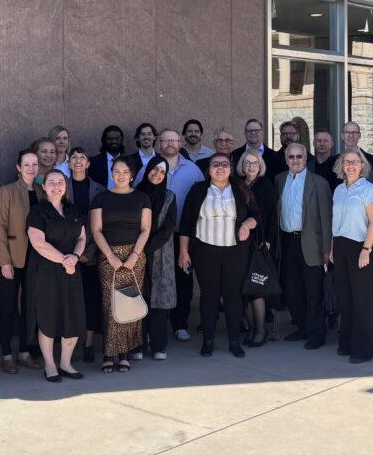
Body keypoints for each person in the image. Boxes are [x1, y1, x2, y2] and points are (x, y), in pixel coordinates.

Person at [178, 154, 260, 358]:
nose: (220, 168)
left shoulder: (241, 189)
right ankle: (208, 341)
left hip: (235, 251)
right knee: (209, 296)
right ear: (209, 169)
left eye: (224, 164)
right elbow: (186, 223)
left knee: (233, 296)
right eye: (216, 165)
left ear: (230, 169)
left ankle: (234, 342)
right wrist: (184, 251)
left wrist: (246, 224)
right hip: (205, 251)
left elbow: (256, 215)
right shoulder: (198, 190)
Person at [90, 157, 152, 372]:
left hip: (135, 256)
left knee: (129, 303)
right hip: (109, 256)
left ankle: (125, 353)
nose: (121, 175)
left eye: (125, 171)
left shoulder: (142, 198)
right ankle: (109, 353)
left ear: (132, 175)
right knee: (110, 304)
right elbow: (96, 230)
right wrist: (110, 256)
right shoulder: (101, 199)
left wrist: (135, 254)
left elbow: (145, 229)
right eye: (116, 171)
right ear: (111, 173)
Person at [25, 169, 86, 382]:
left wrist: (74, 258)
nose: (56, 186)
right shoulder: (37, 212)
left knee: (72, 315)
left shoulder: (73, 209)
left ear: (65, 186)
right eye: (51, 182)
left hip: (71, 270)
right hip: (46, 270)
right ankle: (50, 365)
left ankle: (66, 364)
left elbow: (82, 238)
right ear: (44, 187)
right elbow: (38, 243)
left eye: (60, 182)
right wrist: (64, 260)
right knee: (48, 317)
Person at [274, 142, 332, 349]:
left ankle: (317, 334)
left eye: (299, 156)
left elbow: (326, 218)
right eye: (291, 157)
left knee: (313, 292)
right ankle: (302, 327)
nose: (295, 160)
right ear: (286, 159)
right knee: (292, 290)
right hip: (287, 242)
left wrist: (327, 249)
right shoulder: (279, 180)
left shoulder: (319, 183)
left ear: (306, 159)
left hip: (311, 244)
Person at [328, 148, 373, 363]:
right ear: (341, 165)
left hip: (361, 246)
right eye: (347, 162)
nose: (350, 166)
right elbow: (335, 222)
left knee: (362, 300)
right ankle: (346, 342)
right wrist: (333, 248)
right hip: (340, 246)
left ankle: (362, 349)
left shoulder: (368, 190)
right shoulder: (338, 189)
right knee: (345, 297)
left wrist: (366, 250)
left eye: (355, 162)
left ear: (362, 166)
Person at [0, 150, 44, 374]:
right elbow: (0, 228)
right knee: (8, 307)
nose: (31, 168)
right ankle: (6, 355)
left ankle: (24, 352)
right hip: (13, 258)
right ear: (18, 167)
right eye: (26, 164)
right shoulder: (7, 191)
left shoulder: (42, 191)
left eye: (35, 164)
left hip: (37, 259)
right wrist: (4, 261)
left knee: (30, 307)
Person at [136, 156, 178, 361]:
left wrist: (148, 248)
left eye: (163, 172)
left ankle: (159, 345)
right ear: (148, 170)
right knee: (138, 298)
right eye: (155, 169)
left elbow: (169, 227)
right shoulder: (135, 194)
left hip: (160, 253)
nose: (158, 174)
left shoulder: (169, 197)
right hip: (135, 252)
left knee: (159, 300)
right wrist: (139, 250)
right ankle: (137, 344)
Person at [66, 146, 105, 362]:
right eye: (74, 157)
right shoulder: (61, 186)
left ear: (88, 164)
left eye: (82, 157)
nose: (78, 160)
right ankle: (70, 344)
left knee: (90, 299)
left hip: (90, 254)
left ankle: (88, 343)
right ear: (69, 163)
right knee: (69, 301)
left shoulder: (99, 189)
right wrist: (70, 253)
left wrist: (87, 252)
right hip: (65, 254)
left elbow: (101, 226)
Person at [238, 150, 278, 346]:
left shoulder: (265, 184)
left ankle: (260, 330)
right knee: (242, 287)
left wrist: (268, 240)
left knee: (256, 285)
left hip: (259, 240)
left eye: (255, 163)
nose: (251, 166)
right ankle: (249, 327)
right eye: (247, 162)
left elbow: (272, 214)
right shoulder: (237, 183)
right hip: (239, 241)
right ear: (242, 165)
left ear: (260, 165)